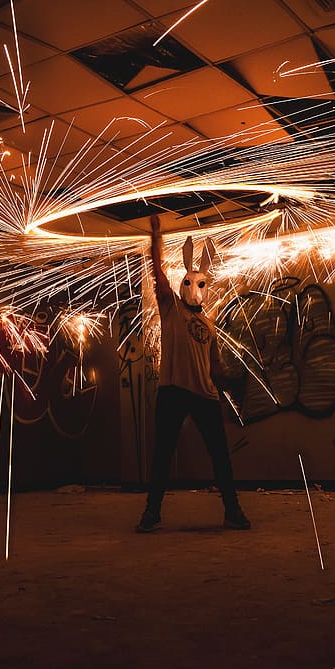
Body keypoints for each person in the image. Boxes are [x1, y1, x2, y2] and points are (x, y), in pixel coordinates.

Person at [136, 214, 251, 533]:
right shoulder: (171, 308)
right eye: (188, 282)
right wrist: (156, 238)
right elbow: (157, 273)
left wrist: (228, 383)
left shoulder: (210, 323)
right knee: (162, 455)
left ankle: (233, 511)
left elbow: (213, 365)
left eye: (199, 283)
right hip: (172, 390)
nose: (193, 288)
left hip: (205, 394)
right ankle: (152, 512)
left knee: (220, 456)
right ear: (182, 284)